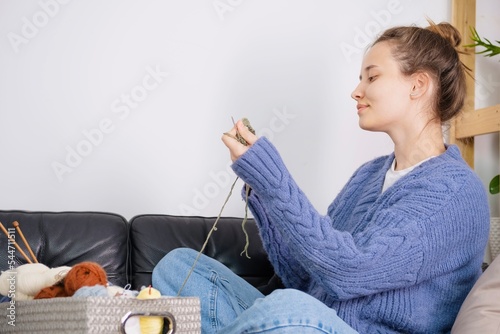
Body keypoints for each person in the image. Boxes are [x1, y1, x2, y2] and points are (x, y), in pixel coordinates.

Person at [153, 20, 490, 333]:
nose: (356, 91)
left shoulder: (455, 192)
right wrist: (263, 193)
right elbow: (308, 277)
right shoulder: (369, 175)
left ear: (418, 85)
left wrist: (274, 179)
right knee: (179, 266)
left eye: (371, 77)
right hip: (308, 320)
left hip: (327, 325)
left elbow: (348, 271)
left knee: (287, 307)